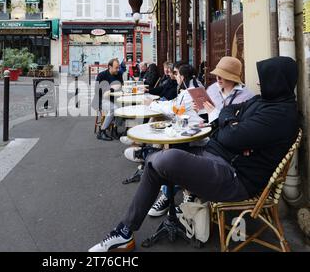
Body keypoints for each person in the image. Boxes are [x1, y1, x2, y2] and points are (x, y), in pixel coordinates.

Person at [89, 56, 299, 252]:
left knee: (167, 158)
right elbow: (227, 114)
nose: (260, 84)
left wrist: (231, 124)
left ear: (277, 81)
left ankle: (147, 156)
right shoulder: (263, 102)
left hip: (236, 177)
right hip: (219, 155)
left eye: (265, 79)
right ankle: (125, 231)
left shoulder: (279, 115)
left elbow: (228, 135)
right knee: (162, 159)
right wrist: (231, 122)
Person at [147, 57, 254, 218]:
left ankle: (179, 192)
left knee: (179, 152)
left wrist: (213, 115)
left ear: (233, 77)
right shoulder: (211, 89)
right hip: (208, 134)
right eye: (217, 74)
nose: (217, 78)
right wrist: (200, 111)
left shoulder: (246, 96)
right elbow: (204, 115)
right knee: (177, 147)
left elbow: (241, 128)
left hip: (226, 146)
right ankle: (173, 193)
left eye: (222, 75)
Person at [92, 58, 124, 141]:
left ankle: (114, 129)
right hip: (101, 100)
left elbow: (120, 86)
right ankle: (101, 131)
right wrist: (111, 88)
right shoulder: (101, 75)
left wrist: (111, 89)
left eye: (118, 67)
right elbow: (97, 90)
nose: (118, 69)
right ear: (110, 67)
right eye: (116, 67)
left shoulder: (119, 74)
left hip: (115, 99)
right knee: (115, 109)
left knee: (123, 108)